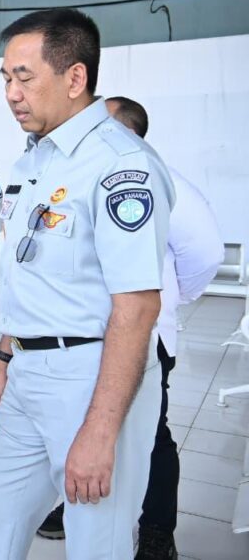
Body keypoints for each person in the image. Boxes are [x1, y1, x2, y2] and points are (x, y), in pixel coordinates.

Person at [0, 8, 174, 559]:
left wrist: (101, 431)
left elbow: (137, 308)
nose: (11, 94)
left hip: (90, 377)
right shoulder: (37, 158)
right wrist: (4, 357)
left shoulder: (120, 166)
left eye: (24, 77)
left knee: (95, 542)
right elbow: (29, 270)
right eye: (6, 79)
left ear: (75, 77)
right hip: (26, 374)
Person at [36, 96, 223, 559]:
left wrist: (170, 299)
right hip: (77, 334)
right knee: (77, 422)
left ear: (127, 134)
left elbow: (205, 254)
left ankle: (156, 529)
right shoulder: (73, 176)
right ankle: (75, 503)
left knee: (149, 435)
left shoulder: (159, 181)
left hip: (141, 336)